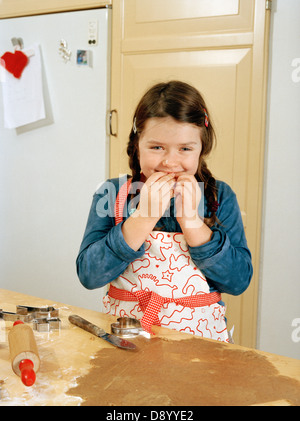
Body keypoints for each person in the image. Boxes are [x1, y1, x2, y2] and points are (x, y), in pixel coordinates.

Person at [76, 81, 253, 342]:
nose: (170, 162)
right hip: (127, 341)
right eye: (156, 147)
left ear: (201, 148)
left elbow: (238, 282)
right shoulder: (112, 194)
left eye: (185, 149)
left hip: (200, 348)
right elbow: (89, 276)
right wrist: (144, 217)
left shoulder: (219, 197)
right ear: (137, 145)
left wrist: (192, 222)